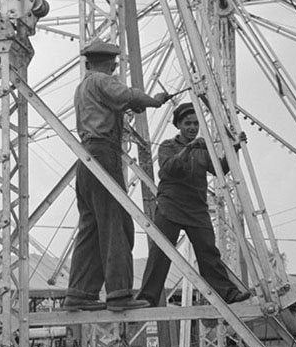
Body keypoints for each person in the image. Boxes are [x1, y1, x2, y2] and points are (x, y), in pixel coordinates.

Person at [64, 38, 171, 312]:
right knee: (116, 223)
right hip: (103, 154)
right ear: (111, 63)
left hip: (86, 157)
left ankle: (80, 292)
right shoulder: (102, 80)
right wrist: (153, 101)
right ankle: (119, 293)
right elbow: (128, 96)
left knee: (91, 226)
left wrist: (124, 108)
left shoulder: (83, 87)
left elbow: (111, 106)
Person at [137, 101, 251, 306]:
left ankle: (227, 292)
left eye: (196, 123)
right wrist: (188, 150)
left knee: (208, 251)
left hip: (196, 207)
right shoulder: (167, 146)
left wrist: (235, 148)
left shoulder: (202, 148)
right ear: (179, 125)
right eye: (188, 123)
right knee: (161, 251)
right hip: (170, 205)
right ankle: (148, 297)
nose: (192, 127)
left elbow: (219, 170)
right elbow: (169, 169)